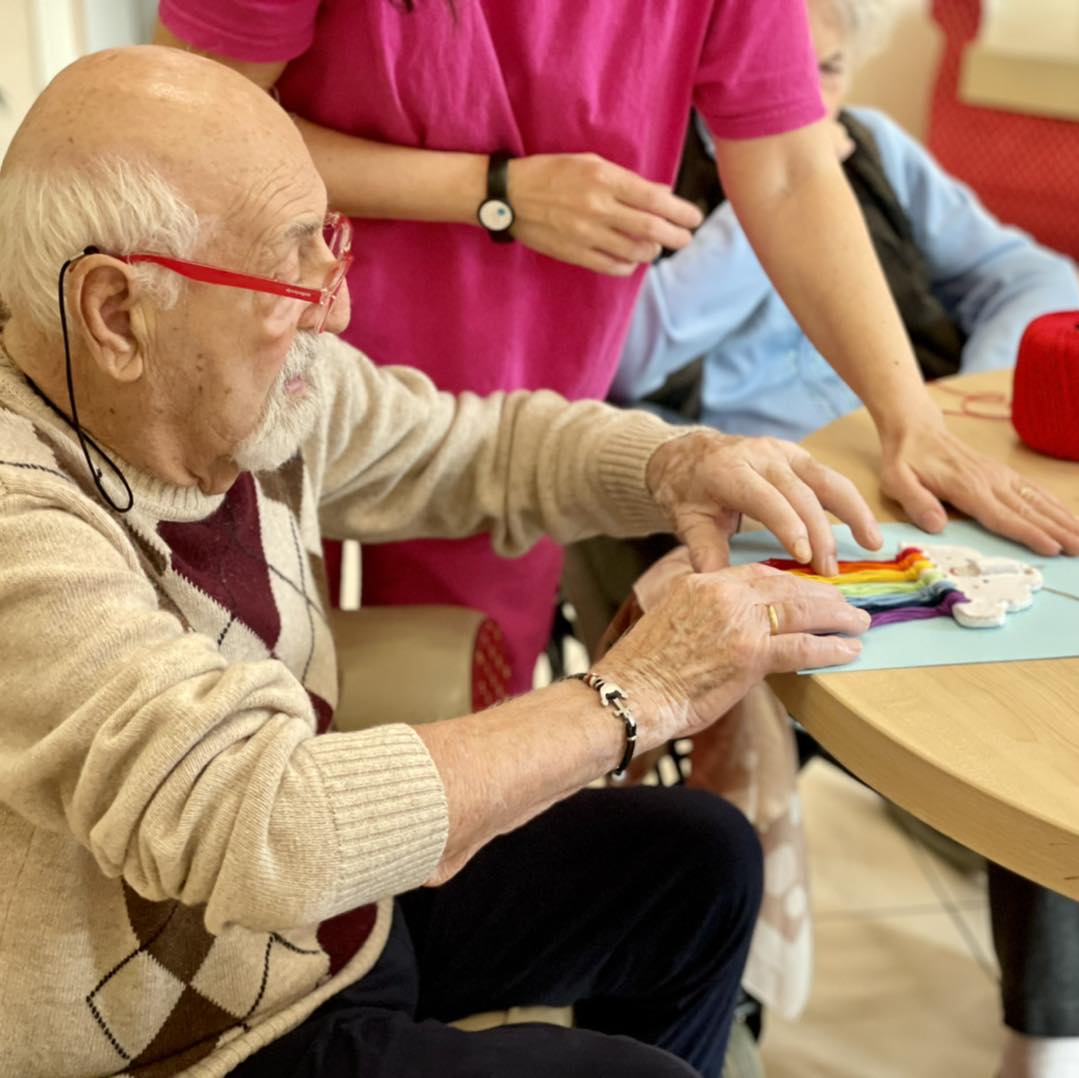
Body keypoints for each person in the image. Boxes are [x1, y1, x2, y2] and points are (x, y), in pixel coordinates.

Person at [0, 47, 885, 1078]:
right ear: (117, 314)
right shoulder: (23, 518)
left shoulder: (243, 388)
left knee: (702, 863)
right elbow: (263, 821)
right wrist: (629, 695)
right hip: (190, 1044)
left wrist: (672, 464)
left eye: (327, 243)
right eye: (289, 270)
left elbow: (478, 448)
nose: (332, 305)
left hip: (331, 931)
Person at [154, 0, 1077, 699]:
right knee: (247, 687)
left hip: (517, 398)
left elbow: (793, 168)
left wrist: (909, 416)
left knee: (456, 703)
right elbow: (195, 124)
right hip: (259, 353)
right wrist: (495, 191)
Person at [608, 2, 1079, 1076]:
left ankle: (1045, 1034)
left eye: (822, 72)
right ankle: (740, 1002)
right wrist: (774, 193)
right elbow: (629, 351)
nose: (807, 101)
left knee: (1047, 647)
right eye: (774, 81)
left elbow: (1035, 273)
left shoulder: (877, 152)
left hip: (909, 475)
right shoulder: (656, 186)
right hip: (767, 499)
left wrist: (951, 395)